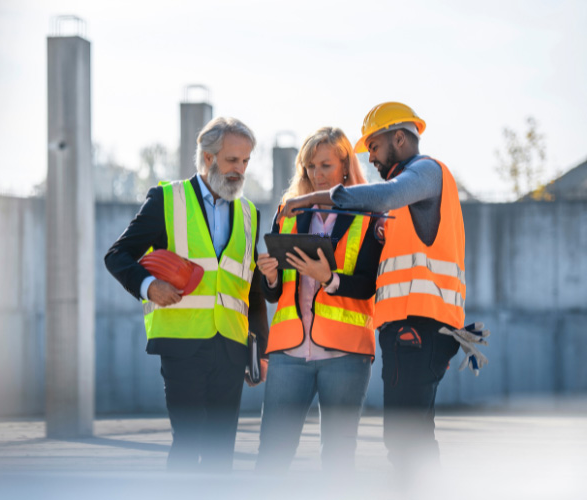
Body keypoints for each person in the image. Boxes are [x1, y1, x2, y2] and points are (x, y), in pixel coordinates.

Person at [278, 102, 467, 473]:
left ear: (399, 137)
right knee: (410, 436)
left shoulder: (426, 171)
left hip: (421, 326)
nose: (373, 160)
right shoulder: (405, 197)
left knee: (405, 438)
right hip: (406, 328)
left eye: (375, 148)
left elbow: (381, 196)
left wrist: (307, 199)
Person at [104, 117, 269, 472]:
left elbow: (250, 289)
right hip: (182, 344)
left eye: (245, 161)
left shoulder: (249, 214)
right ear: (208, 158)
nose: (240, 170)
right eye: (231, 160)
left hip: (231, 346)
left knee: (221, 451)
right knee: (189, 441)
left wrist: (261, 351)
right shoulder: (167, 199)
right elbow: (116, 255)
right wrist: (149, 286)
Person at [255, 127, 381, 473]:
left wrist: (329, 278)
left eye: (325, 165)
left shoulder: (369, 214)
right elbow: (273, 293)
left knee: (338, 459)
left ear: (345, 166)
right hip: (289, 354)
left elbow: (369, 284)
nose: (316, 174)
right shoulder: (289, 212)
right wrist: (269, 275)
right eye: (310, 166)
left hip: (346, 355)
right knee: (271, 456)